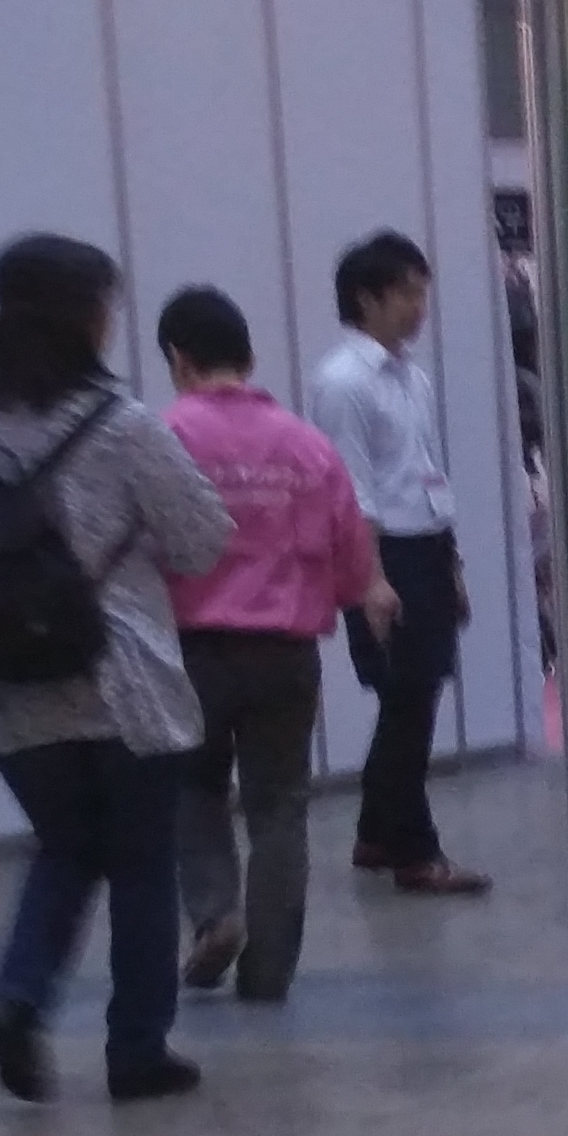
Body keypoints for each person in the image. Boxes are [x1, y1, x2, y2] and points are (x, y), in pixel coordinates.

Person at [0, 234, 230, 1105]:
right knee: (141, 864)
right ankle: (137, 1050)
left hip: (8, 690)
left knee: (64, 848)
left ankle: (18, 997)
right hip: (120, 683)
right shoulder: (121, 425)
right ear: (86, 315)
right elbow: (202, 537)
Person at [154, 284, 377, 1005]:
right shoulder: (306, 445)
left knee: (194, 789)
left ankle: (215, 914)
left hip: (194, 649)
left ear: (177, 359)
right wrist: (354, 593)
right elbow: (351, 553)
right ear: (249, 359)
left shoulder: (167, 437)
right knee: (280, 805)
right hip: (286, 653)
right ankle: (270, 969)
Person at [310, 230, 491, 897]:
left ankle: (377, 833)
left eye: (422, 292)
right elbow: (352, 491)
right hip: (384, 554)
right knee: (408, 696)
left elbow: (425, 475)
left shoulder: (411, 377)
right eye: (407, 293)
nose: (420, 307)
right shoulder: (343, 382)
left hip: (425, 547)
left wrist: (453, 564)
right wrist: (373, 579)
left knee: (414, 695)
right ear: (367, 299)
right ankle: (416, 852)